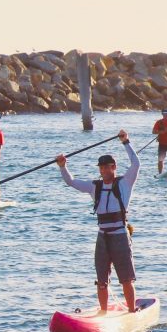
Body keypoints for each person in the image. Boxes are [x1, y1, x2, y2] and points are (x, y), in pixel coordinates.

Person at [56, 130, 140, 313]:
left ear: (114, 167)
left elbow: (136, 164)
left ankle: (132, 312)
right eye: (101, 168)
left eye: (107, 167)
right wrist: (63, 166)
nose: (104, 171)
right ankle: (103, 313)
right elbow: (70, 182)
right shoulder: (95, 187)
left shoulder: (125, 183)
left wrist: (126, 142)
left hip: (120, 235)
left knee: (126, 279)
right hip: (102, 237)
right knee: (101, 281)